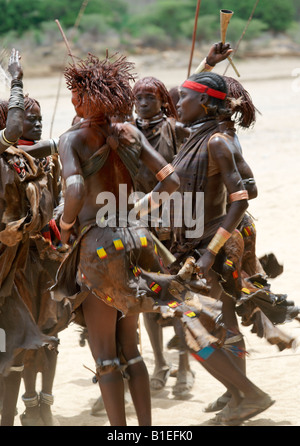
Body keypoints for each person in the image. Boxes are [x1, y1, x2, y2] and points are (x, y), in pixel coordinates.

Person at [167, 71, 275, 425]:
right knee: (224, 322)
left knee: (193, 329)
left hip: (213, 244)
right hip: (217, 237)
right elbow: (252, 186)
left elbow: (242, 198)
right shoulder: (213, 136)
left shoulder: (215, 141)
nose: (177, 103)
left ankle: (249, 394)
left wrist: (212, 249)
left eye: (183, 98)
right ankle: (237, 395)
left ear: (203, 103)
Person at [132, 42, 233, 397]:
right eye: (138, 97)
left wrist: (208, 63)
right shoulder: (126, 133)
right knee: (147, 294)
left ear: (163, 101)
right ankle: (160, 363)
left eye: (150, 97)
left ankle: (185, 368)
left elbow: (190, 94)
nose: (143, 103)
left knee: (178, 293)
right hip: (140, 223)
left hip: (177, 225)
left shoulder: (176, 129)